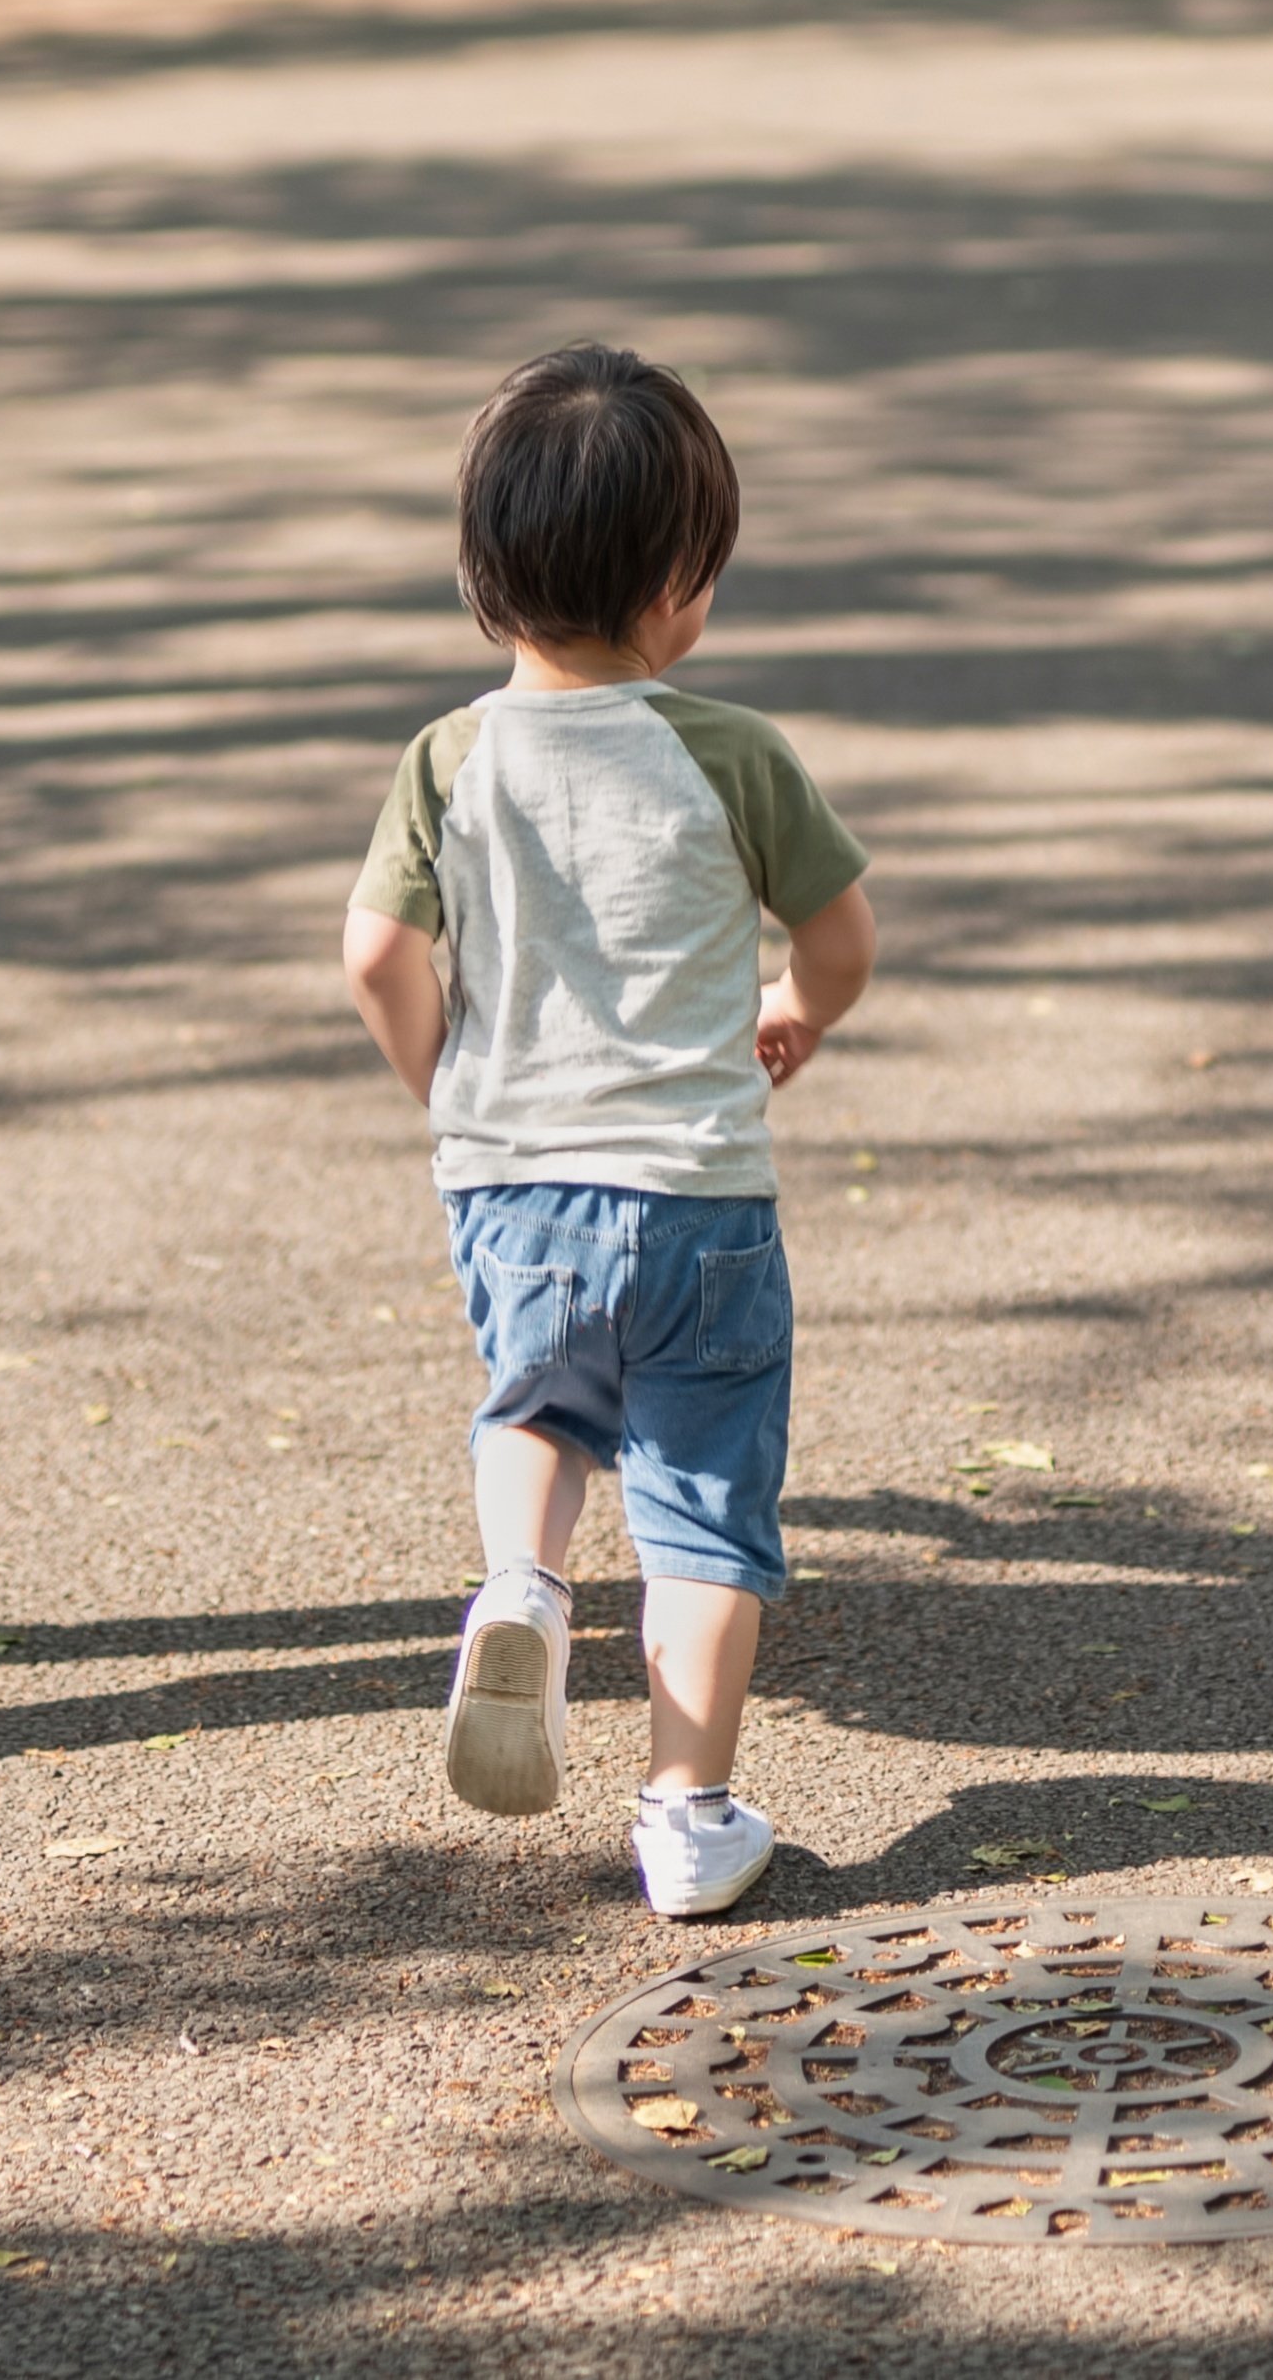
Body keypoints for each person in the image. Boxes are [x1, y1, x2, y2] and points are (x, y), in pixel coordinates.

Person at [339, 346, 877, 1918]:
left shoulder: (449, 758)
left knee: (537, 1407)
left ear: (482, 579)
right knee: (705, 1505)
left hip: (513, 1186)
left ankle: (522, 1583)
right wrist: (799, 1007)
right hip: (698, 1199)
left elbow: (374, 956)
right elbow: (843, 938)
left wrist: (452, 1090)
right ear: (677, 594)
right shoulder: (731, 752)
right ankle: (690, 1817)